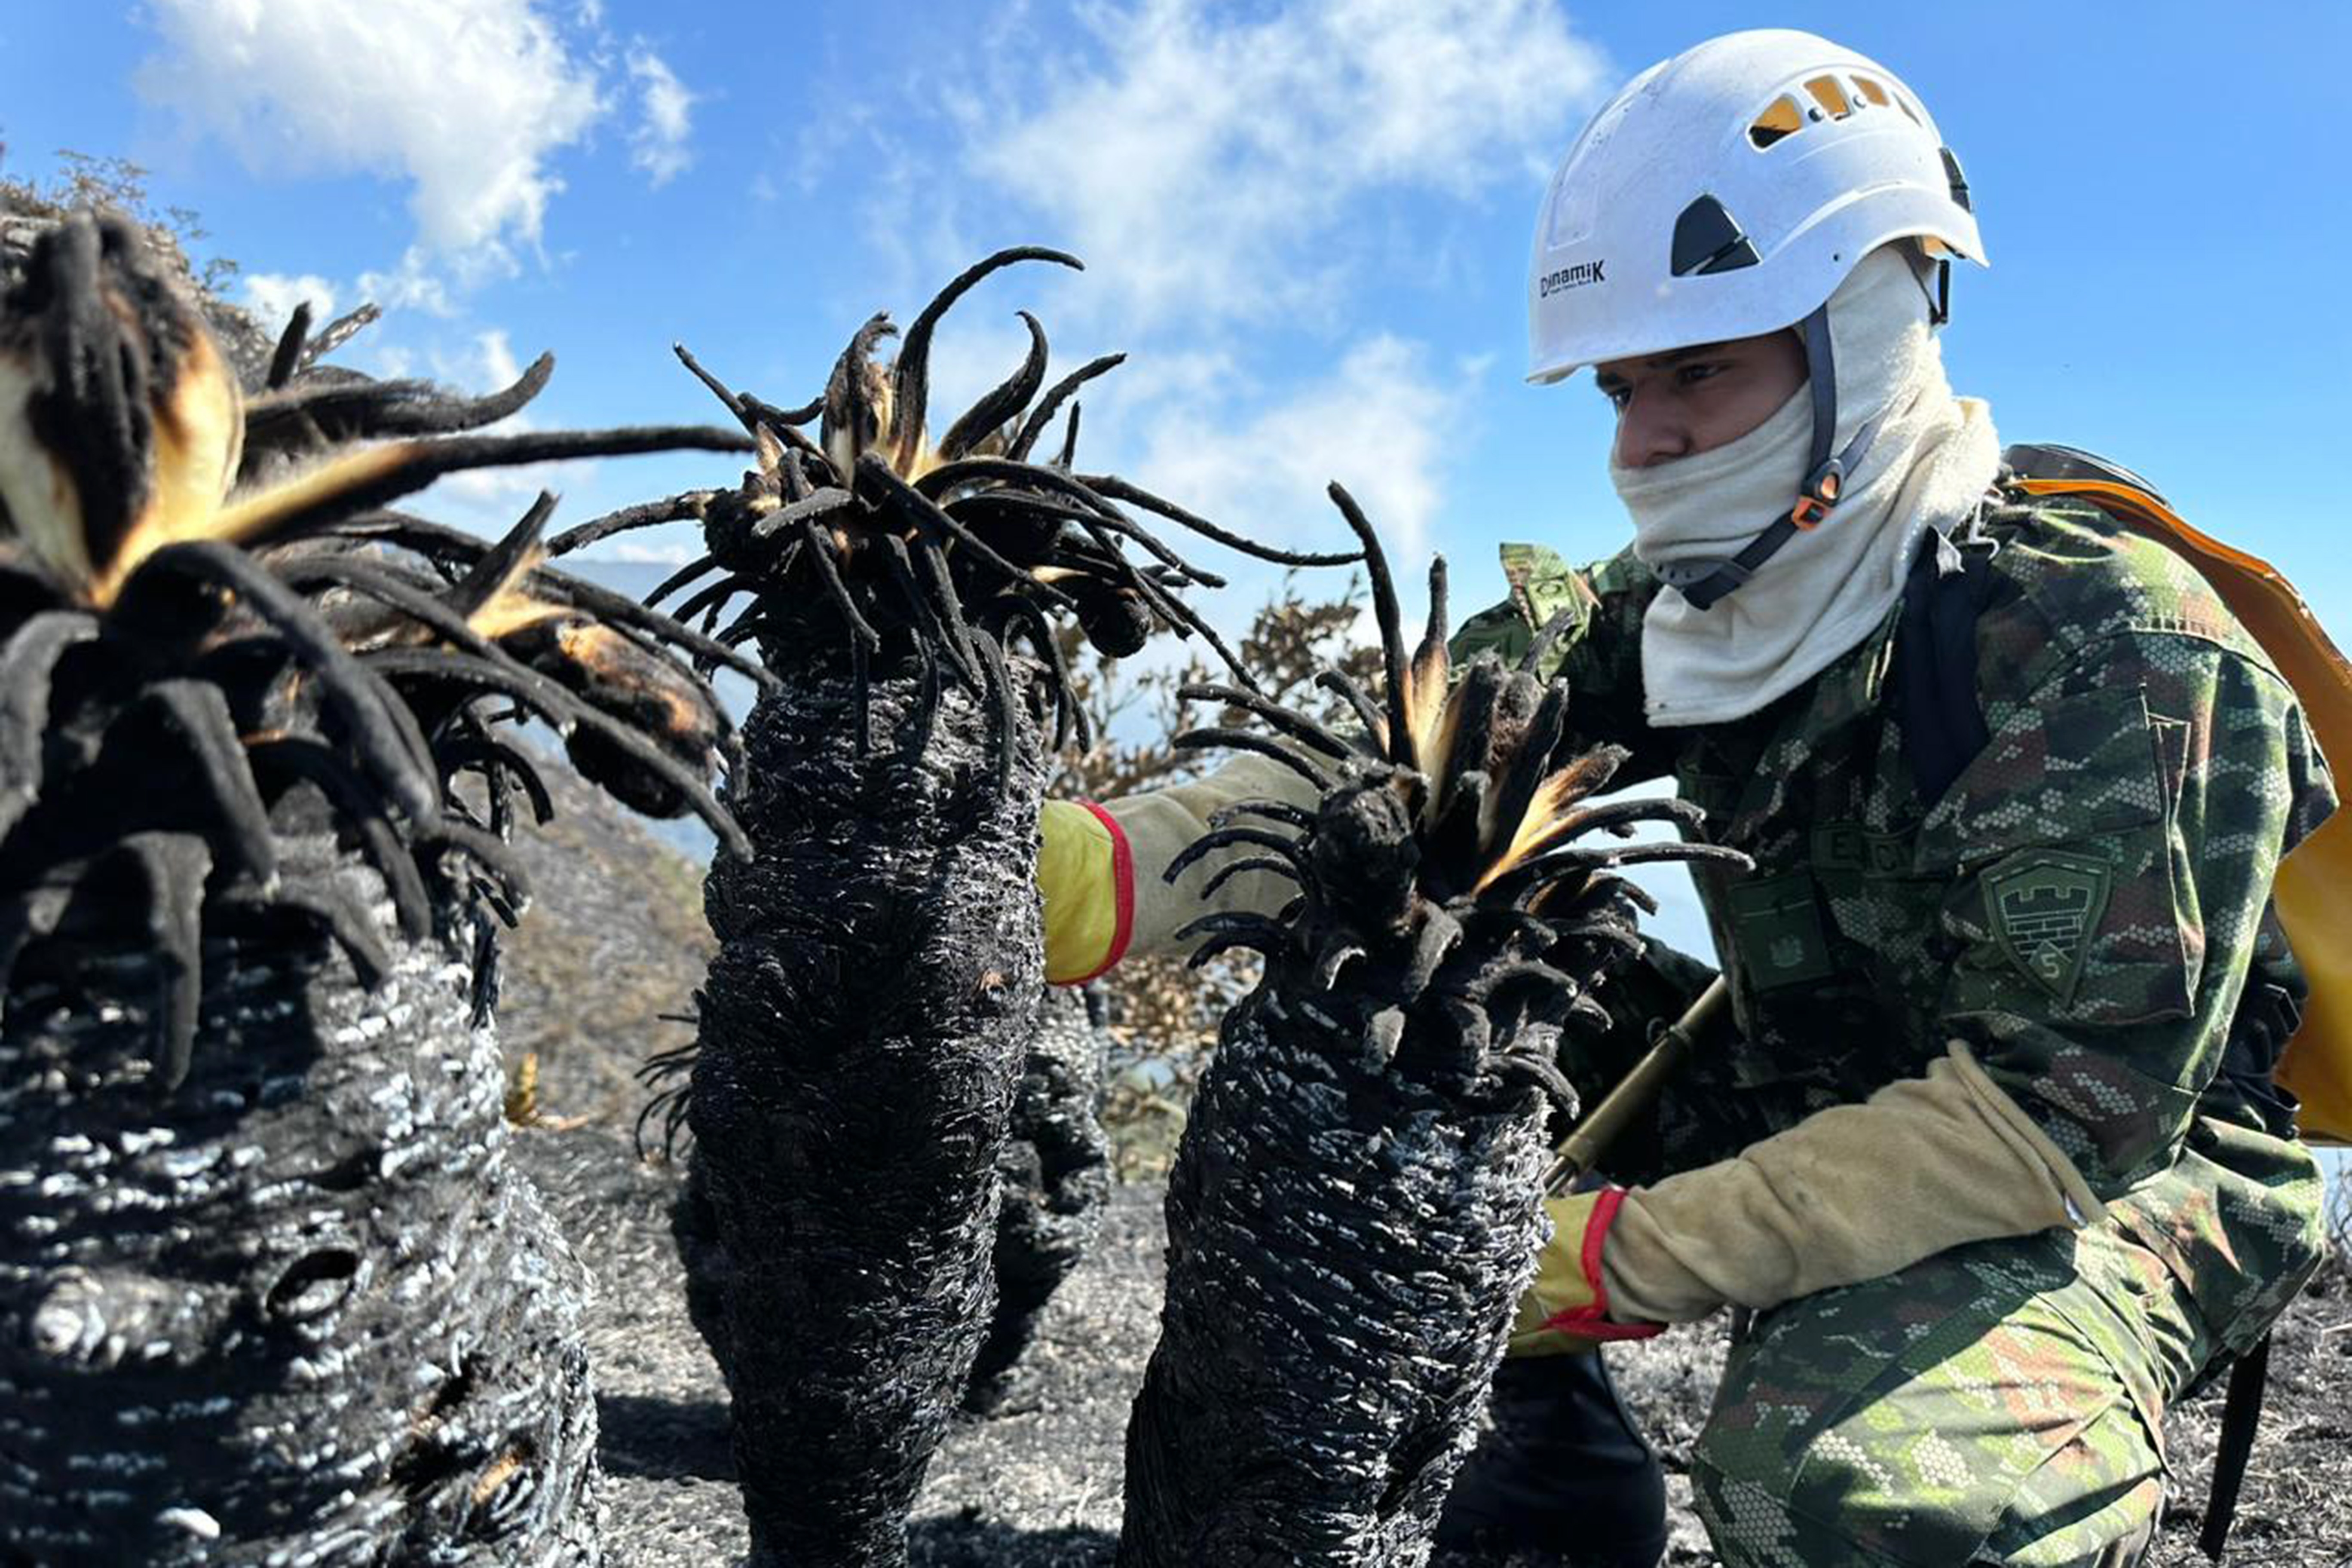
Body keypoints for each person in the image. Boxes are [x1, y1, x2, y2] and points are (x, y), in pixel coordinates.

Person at [1035, 29, 2335, 1568]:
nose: (1641, 444)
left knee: (1860, 1491)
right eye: (1619, 388)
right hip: (1822, 1070)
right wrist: (1082, 878)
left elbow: (2052, 1122)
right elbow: (1406, 760)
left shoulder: (2106, 649)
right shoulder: (1688, 606)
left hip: (2113, 1162)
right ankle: (1541, 1494)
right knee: (1408, 1033)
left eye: (1699, 375)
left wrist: (1620, 1257)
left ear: (1864, 333)